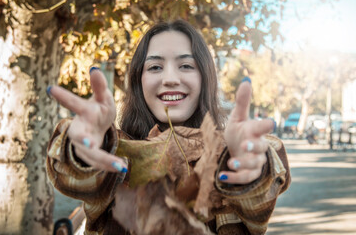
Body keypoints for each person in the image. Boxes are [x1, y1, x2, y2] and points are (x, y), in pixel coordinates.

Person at [46, 20, 290, 235]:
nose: (170, 78)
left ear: (205, 77)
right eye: (155, 67)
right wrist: (83, 148)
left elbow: (261, 191)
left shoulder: (225, 154)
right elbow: (79, 176)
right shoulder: (118, 154)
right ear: (138, 81)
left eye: (186, 66)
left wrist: (250, 165)